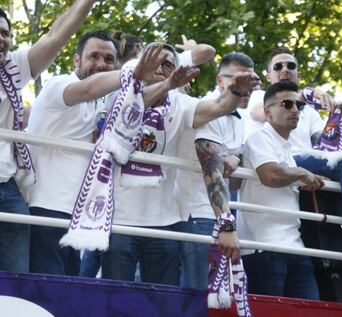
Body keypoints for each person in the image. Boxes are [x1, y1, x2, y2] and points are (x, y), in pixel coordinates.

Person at [101, 42, 260, 286]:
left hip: (165, 223)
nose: (161, 69)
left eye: (168, 65)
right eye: (155, 62)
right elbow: (132, 107)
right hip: (118, 222)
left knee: (163, 305)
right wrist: (168, 84)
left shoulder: (181, 103)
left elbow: (218, 106)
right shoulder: (119, 93)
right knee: (115, 302)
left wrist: (235, 93)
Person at [26, 31, 165, 276]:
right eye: (94, 56)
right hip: (45, 211)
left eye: (109, 59)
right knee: (46, 298)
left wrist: (169, 83)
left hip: (79, 217)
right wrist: (133, 71)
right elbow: (88, 88)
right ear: (76, 60)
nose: (101, 64)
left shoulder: (101, 104)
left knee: (68, 299)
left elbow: (137, 103)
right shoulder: (58, 85)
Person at [0, 0, 101, 273]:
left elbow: (55, 36)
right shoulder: (60, 85)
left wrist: (85, 3)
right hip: (37, 198)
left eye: (5, 33)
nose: (2, 39)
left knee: (18, 280)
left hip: (7, 188)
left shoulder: (11, 69)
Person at [174, 52, 256, 288]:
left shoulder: (240, 118)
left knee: (211, 297)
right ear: (220, 81)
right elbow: (211, 167)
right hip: (196, 215)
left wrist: (236, 158)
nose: (246, 88)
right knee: (195, 296)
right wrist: (227, 224)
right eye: (238, 80)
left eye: (251, 81)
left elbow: (234, 180)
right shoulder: (207, 108)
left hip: (215, 216)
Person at [249, 47, 342, 220]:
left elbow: (328, 152)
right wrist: (309, 93)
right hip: (288, 160)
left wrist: (340, 124)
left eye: (290, 66)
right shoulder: (260, 96)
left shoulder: (309, 112)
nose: (285, 69)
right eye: (278, 67)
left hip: (311, 159)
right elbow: (259, 113)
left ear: (298, 75)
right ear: (268, 76)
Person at [240, 80, 325, 299]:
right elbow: (270, 174)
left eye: (299, 105)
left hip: (296, 247)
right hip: (263, 249)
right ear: (267, 112)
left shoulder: (288, 149)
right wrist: (301, 173)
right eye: (287, 104)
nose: (295, 109)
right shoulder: (258, 138)